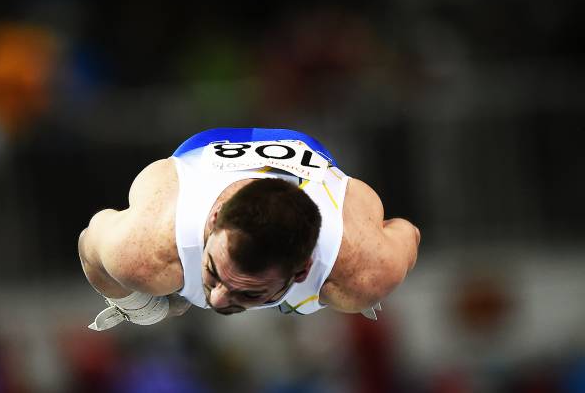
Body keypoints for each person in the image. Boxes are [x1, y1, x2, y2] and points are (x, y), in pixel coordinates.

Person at [78, 128, 420, 330]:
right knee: (142, 273)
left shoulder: (363, 270)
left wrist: (374, 267)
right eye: (213, 271)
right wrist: (141, 309)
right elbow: (88, 248)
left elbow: (407, 232)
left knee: (356, 288)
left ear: (302, 271)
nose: (218, 299)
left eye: (250, 292)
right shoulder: (146, 249)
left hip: (314, 170)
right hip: (199, 157)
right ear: (214, 223)